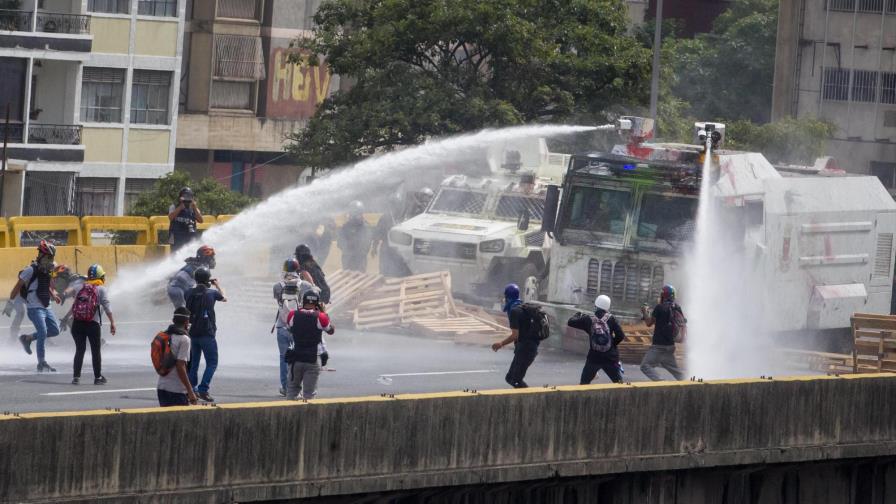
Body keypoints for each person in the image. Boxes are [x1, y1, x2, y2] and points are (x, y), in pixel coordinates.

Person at [10, 241, 61, 372]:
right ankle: (41, 362)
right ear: (41, 255)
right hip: (34, 307)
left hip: (46, 305)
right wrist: (11, 301)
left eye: (52, 257)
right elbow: (18, 285)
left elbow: (45, 284)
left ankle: (27, 338)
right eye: (48, 257)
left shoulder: (48, 269)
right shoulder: (30, 269)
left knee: (55, 330)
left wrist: (53, 295)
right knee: (43, 332)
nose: (50, 260)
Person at [273, 258, 318, 396]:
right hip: (299, 327)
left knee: (284, 358)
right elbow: (315, 295)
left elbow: (279, 302)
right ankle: (299, 388)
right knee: (300, 358)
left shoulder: (277, 286)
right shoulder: (305, 285)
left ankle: (286, 387)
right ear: (297, 269)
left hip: (282, 326)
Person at [66, 264, 116, 385]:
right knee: (95, 351)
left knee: (80, 350)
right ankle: (97, 377)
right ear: (101, 276)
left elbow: (69, 295)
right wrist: (112, 322)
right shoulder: (101, 289)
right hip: (92, 324)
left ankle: (76, 377)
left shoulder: (80, 286)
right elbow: (107, 307)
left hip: (77, 323)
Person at [185, 267, 226, 402]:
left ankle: (192, 390)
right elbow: (224, 298)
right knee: (212, 363)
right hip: (207, 333)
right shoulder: (212, 293)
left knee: (194, 363)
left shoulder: (188, 292)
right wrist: (217, 285)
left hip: (192, 333)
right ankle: (203, 389)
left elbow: (192, 292)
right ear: (208, 279)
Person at [285, 291, 334, 400]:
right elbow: (331, 330)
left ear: (303, 301)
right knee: (309, 394)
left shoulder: (292, 315)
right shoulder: (321, 317)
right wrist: (323, 312)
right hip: (313, 359)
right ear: (317, 303)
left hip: (296, 358)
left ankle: (290, 409)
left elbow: (289, 328)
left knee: (292, 390)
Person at [568, 295, 626, 384]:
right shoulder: (612, 318)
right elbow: (621, 336)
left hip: (594, 357)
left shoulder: (588, 319)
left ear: (596, 305)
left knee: (584, 383)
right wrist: (611, 344)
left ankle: (588, 387)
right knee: (619, 383)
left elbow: (570, 322)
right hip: (610, 357)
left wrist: (578, 314)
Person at [491, 283, 540, 388]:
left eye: (505, 297)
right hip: (527, 348)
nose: (504, 299)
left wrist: (501, 344)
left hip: (526, 349)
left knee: (515, 380)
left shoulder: (514, 311)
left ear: (508, 297)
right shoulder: (522, 306)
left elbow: (515, 336)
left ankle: (529, 396)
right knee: (510, 378)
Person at [640, 284, 687, 381]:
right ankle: (689, 383)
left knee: (645, 366)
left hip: (658, 346)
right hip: (670, 346)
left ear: (663, 295)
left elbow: (649, 323)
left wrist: (645, 312)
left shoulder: (659, 307)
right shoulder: (677, 307)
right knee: (676, 371)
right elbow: (682, 323)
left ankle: (662, 383)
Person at [156, 307, 198, 407]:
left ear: (173, 320)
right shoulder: (184, 339)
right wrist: (190, 391)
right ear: (187, 322)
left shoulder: (165, 336)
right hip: (177, 390)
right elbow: (180, 366)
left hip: (162, 387)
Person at [370, 194, 410, 277]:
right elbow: (377, 233)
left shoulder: (405, 218)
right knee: (385, 272)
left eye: (397, 204)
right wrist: (374, 247)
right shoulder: (385, 218)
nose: (396, 206)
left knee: (400, 273)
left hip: (400, 250)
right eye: (393, 204)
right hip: (387, 248)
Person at [337, 200, 371, 272]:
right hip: (347, 259)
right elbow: (340, 242)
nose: (354, 216)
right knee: (347, 276)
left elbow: (366, 245)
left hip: (360, 259)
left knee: (360, 277)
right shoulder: (345, 227)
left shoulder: (365, 227)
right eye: (353, 213)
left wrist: (356, 250)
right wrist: (347, 248)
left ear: (361, 214)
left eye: (357, 214)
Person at [168, 186, 204, 251]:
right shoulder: (174, 206)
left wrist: (194, 207)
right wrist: (180, 207)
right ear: (180, 197)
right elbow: (170, 217)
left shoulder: (194, 208)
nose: (187, 198)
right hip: (176, 236)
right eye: (185, 196)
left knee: (190, 252)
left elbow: (201, 220)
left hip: (189, 235)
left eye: (189, 196)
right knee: (175, 252)